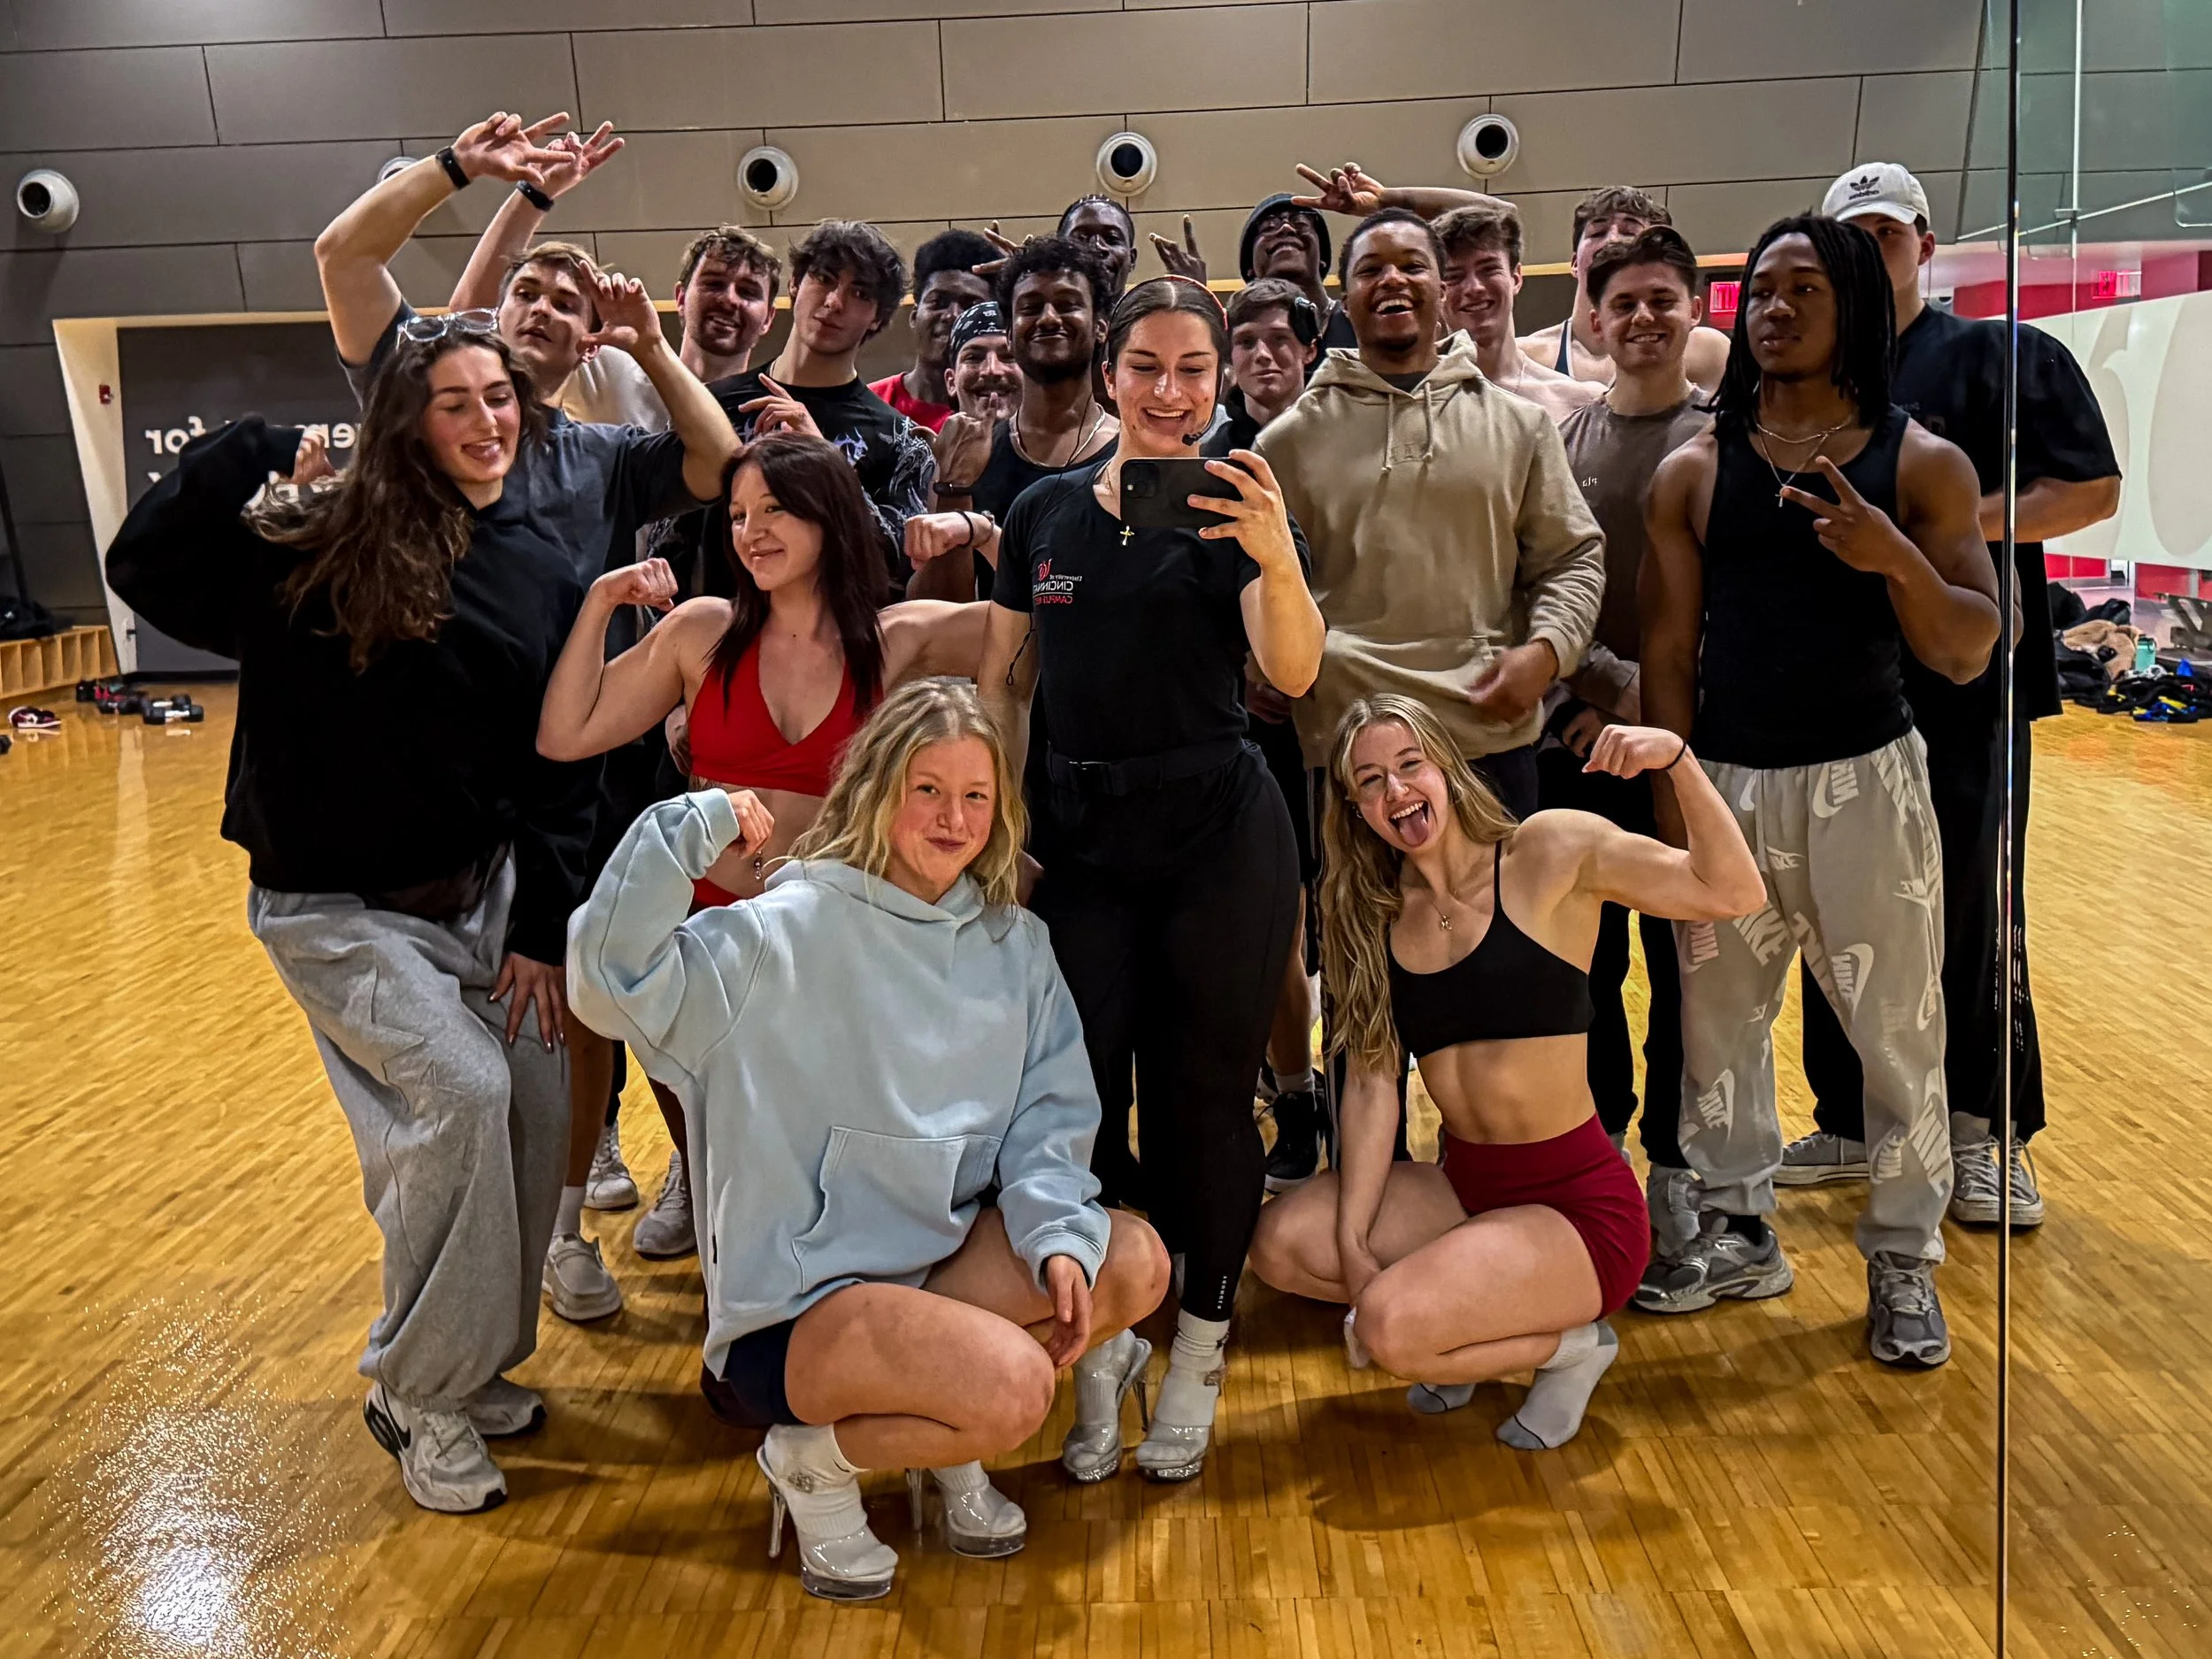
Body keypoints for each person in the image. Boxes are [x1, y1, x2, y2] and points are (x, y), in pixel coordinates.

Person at [105, 321, 597, 1514]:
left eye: (501, 399)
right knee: (459, 1094)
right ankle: (416, 1388)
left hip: (480, 897)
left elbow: (561, 754)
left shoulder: (534, 556)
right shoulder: (310, 540)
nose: (488, 424)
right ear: (402, 426)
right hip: (331, 908)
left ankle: (469, 1365)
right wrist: (270, 442)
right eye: (454, 405)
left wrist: (539, 920)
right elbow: (144, 564)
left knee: (532, 1094)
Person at [567, 677, 1171, 1599]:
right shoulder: (776, 933)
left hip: (926, 1270)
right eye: (927, 789)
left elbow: (1049, 1120)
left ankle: (943, 1423)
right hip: (800, 1309)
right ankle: (812, 1460)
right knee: (1016, 1391)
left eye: (975, 796)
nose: (952, 817)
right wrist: (683, 827)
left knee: (1124, 1260)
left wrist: (1052, 1231)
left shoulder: (1013, 946)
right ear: (877, 789)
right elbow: (605, 984)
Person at [312, 111, 740, 1326]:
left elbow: (713, 462)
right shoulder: (428, 411)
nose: (544, 305)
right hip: (441, 805)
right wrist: (481, 178)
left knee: (629, 995)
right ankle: (515, 1262)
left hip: (585, 774)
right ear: (488, 318)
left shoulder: (600, 452)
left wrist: (654, 346)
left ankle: (679, 1193)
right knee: (481, 1068)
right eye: (526, 292)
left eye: (569, 300)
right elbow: (350, 261)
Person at [973, 279, 1324, 1481]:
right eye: (1148, 367)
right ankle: (1114, 1330)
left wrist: (1276, 554)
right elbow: (1005, 679)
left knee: (1207, 1099)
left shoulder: (1238, 507)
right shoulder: (1041, 515)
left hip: (1220, 832)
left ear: (1220, 381)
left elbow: (1293, 661)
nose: (1171, 393)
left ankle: (1204, 1342)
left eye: (1194, 370)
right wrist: (998, 820)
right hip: (1080, 836)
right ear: (1111, 374)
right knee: (1080, 1095)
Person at [1638, 214, 2001, 1367]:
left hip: (1867, 781)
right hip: (1729, 779)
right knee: (1715, 1032)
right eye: (1761, 289)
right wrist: (1674, 797)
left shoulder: (1923, 460)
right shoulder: (1696, 466)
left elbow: (1970, 648)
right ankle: (1742, 1228)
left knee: (1898, 1037)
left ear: (1854, 300)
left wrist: (1890, 551)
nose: (1776, 307)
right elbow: (1666, 651)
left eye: (1805, 287)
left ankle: (1902, 1257)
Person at [1248, 697, 1763, 1440]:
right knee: (1283, 1244)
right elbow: (1369, 1087)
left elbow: (1731, 891)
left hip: (1580, 1211)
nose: (1395, 791)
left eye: (1408, 765)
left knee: (1391, 1329)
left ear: (1447, 770)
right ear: (1356, 809)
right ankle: (1462, 1323)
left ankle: (1570, 1349)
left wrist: (1677, 761)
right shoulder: (1378, 913)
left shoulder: (1548, 852)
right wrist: (1356, 1242)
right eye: (1369, 781)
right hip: (1467, 1188)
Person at [538, 434, 991, 1258]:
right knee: (725, 1180)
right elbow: (566, 732)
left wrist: (982, 533)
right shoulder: (702, 632)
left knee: (817, 1182)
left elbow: (1029, 633)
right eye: (740, 514)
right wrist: (602, 602)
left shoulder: (897, 639)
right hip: (706, 945)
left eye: (777, 508)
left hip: (835, 951)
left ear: (832, 517)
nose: (752, 530)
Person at [1783, 164, 2121, 1227]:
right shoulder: (1807, 376)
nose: (1871, 253)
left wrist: (1936, 530)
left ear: (1925, 245)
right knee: (1833, 904)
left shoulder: (2000, 356)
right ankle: (1849, 1116)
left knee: (1971, 907)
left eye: (1887, 235)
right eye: (1853, 238)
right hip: (1838, 687)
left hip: (1968, 690)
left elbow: (2090, 489)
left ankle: (1986, 1133)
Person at [1257, 208, 1605, 821]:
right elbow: (1254, 582)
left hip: (1486, 737)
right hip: (1348, 748)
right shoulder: (1285, 444)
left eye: (1412, 265)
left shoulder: (1518, 426)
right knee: (1360, 922)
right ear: (1344, 298)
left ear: (1442, 290)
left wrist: (1547, 652)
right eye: (1371, 269)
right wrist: (1257, 666)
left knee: (1501, 921)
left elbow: (1572, 558)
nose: (1392, 279)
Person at [1547, 225, 1714, 1263]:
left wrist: (1677, 727)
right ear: (1594, 320)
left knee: (1692, 965)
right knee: (1589, 961)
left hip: (1695, 752)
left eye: (1664, 299)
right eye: (1625, 302)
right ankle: (1602, 1142)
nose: (1644, 318)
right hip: (1589, 748)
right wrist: (1583, 702)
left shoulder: (1727, 439)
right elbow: (1542, 594)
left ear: (1693, 310)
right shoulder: (1564, 447)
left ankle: (1681, 1161)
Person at [1207, 279, 1325, 1189]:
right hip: (1240, 733)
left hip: (1340, 721)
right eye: (1244, 341)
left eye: (1279, 339)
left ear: (1308, 349)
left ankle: (1366, 1111)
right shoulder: (1198, 460)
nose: (1262, 354)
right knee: (1268, 932)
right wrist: (1241, 664)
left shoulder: (1332, 444)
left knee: (1351, 927)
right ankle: (1291, 1096)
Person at [443, 117, 779, 429]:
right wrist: (537, 193)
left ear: (768, 319)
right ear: (679, 297)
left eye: (748, 291)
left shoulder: (765, 415)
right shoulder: (613, 370)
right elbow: (469, 316)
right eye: (714, 283)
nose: (728, 299)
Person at [704, 219, 938, 599]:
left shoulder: (900, 440)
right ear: (796, 283)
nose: (834, 302)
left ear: (877, 317)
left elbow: (895, 565)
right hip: (720, 636)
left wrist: (825, 459)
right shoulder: (713, 406)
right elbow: (670, 549)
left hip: (837, 644)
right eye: (824, 279)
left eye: (860, 293)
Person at [913, 238, 1120, 605]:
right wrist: (954, 488)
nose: (1049, 317)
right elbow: (941, 606)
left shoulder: (1133, 450)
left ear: (1101, 326)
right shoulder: (971, 453)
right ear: (1010, 330)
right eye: (1030, 307)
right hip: (1001, 659)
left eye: (1068, 304)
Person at [1517, 186, 1731, 394]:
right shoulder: (1528, 357)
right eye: (1597, 233)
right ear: (1574, 262)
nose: (1611, 241)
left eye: (1629, 233)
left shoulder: (1704, 351)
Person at [1433, 203, 1602, 423]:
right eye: (1454, 275)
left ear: (1516, 278)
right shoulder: (1418, 394)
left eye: (1489, 270)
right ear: (1438, 291)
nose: (1474, 288)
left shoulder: (1577, 401)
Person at [867, 228, 1000, 432]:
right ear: (913, 316)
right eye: (939, 302)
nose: (952, 315)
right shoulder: (870, 406)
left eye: (970, 305)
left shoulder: (1008, 411)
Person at [940, 300, 1021, 426]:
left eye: (1009, 356)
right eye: (973, 358)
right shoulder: (925, 444)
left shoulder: (1061, 444)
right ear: (951, 381)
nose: (992, 369)